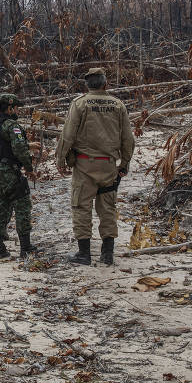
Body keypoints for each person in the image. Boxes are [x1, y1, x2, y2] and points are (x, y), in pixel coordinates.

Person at [55, 68, 134, 266]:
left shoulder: (79, 104)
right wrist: (124, 164)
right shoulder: (118, 105)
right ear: (105, 84)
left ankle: (84, 254)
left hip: (84, 166)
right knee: (107, 208)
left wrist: (60, 160)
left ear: (87, 85)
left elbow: (67, 135)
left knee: (81, 207)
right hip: (108, 166)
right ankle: (107, 254)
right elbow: (128, 139)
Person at [0, 92, 34, 260]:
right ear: (9, 107)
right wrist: (29, 167)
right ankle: (26, 247)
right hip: (6, 169)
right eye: (16, 107)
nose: (17, 110)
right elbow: (19, 147)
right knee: (22, 203)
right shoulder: (10, 125)